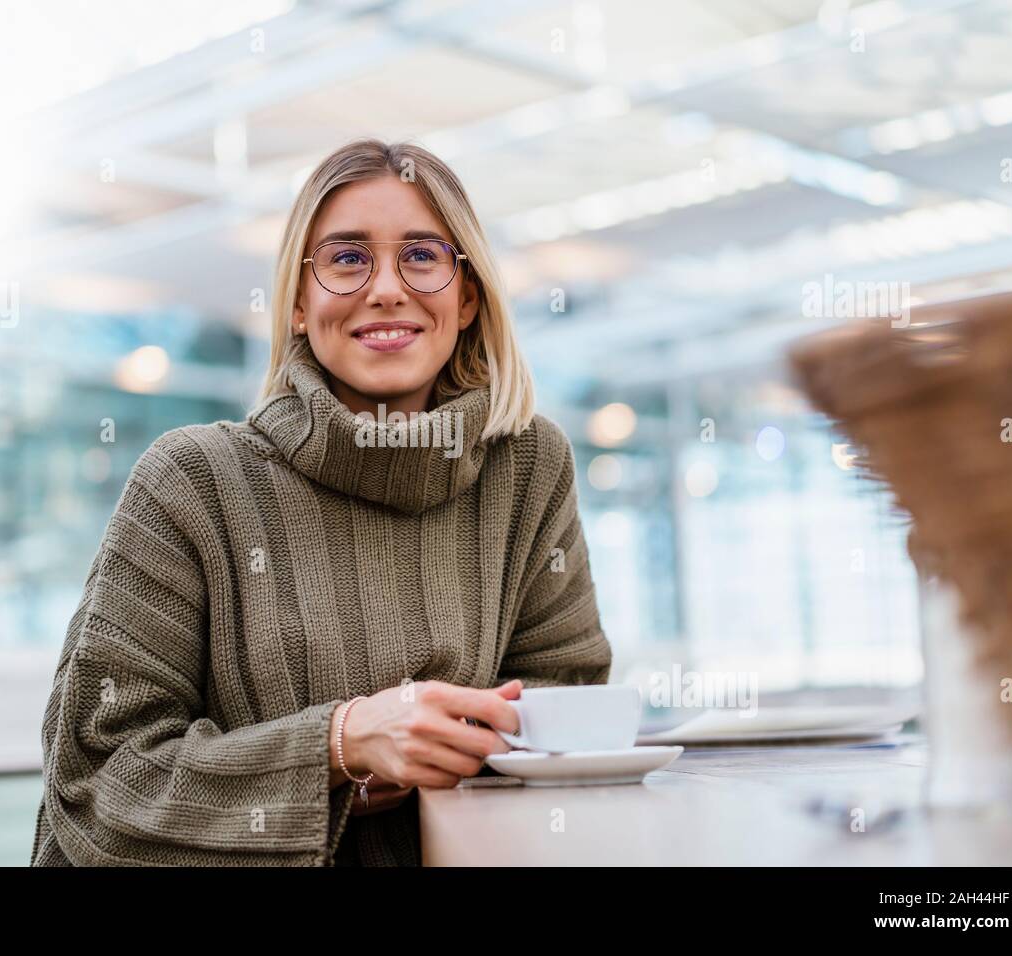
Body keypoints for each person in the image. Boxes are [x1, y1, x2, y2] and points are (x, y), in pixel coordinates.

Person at [31, 138, 613, 867]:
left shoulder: (527, 466)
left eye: (423, 256)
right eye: (347, 258)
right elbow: (98, 781)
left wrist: (434, 752)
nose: (386, 288)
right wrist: (340, 745)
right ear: (299, 305)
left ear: (467, 296)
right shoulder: (192, 479)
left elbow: (569, 705)